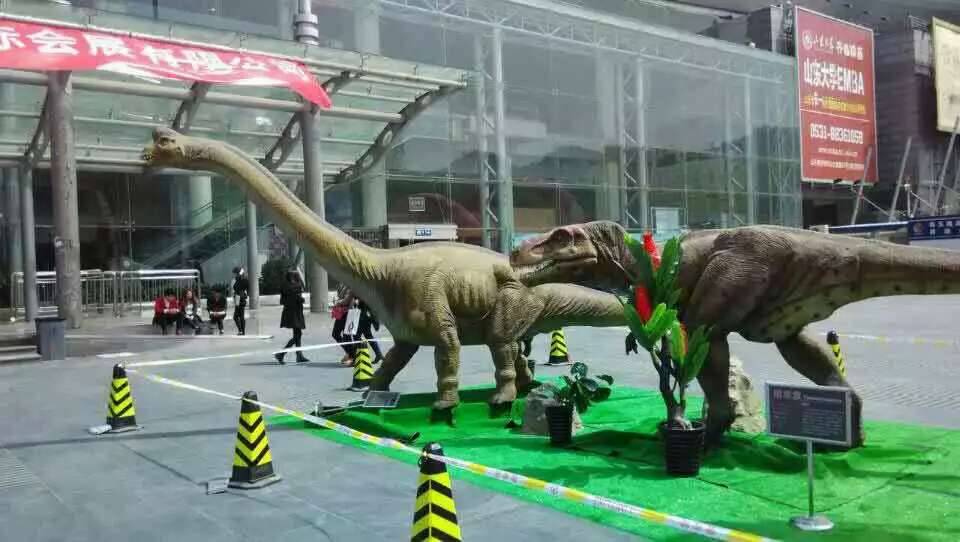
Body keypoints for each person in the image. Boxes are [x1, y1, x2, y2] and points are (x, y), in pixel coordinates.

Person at [276, 270, 309, 365]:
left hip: (290, 312)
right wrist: (301, 299)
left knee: (297, 333)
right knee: (297, 335)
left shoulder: (285, 286)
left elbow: (282, 301)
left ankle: (299, 355)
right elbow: (298, 297)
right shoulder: (295, 286)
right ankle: (281, 354)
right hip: (295, 312)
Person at [331, 284, 356, 365]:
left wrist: (337, 302)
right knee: (336, 334)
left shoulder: (350, 284)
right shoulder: (343, 283)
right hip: (341, 312)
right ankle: (350, 353)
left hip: (348, 313)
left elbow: (347, 299)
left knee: (346, 336)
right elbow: (340, 295)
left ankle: (352, 356)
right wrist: (337, 300)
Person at [356, 297, 384, 364]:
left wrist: (357, 301)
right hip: (367, 314)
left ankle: (356, 357)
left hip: (364, 315)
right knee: (368, 336)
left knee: (356, 336)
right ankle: (379, 354)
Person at [232, 266, 249, 335]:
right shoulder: (242, 279)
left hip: (239, 298)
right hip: (240, 298)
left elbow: (238, 288)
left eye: (235, 273)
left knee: (237, 316)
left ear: (238, 273)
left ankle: (241, 331)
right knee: (240, 316)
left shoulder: (241, 280)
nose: (234, 275)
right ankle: (242, 331)